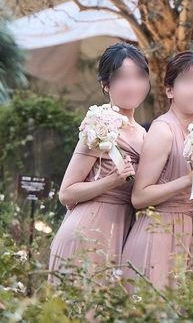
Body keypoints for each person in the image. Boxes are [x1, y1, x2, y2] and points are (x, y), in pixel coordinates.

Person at [49, 42, 150, 281]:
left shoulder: (143, 133)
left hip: (122, 231)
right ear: (106, 84)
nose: (132, 85)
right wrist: (111, 181)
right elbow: (66, 193)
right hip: (87, 232)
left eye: (139, 76)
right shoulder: (99, 125)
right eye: (122, 78)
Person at [122, 51, 193, 289]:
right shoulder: (163, 130)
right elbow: (139, 197)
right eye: (189, 82)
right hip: (155, 234)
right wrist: (188, 180)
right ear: (170, 90)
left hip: (180, 232)